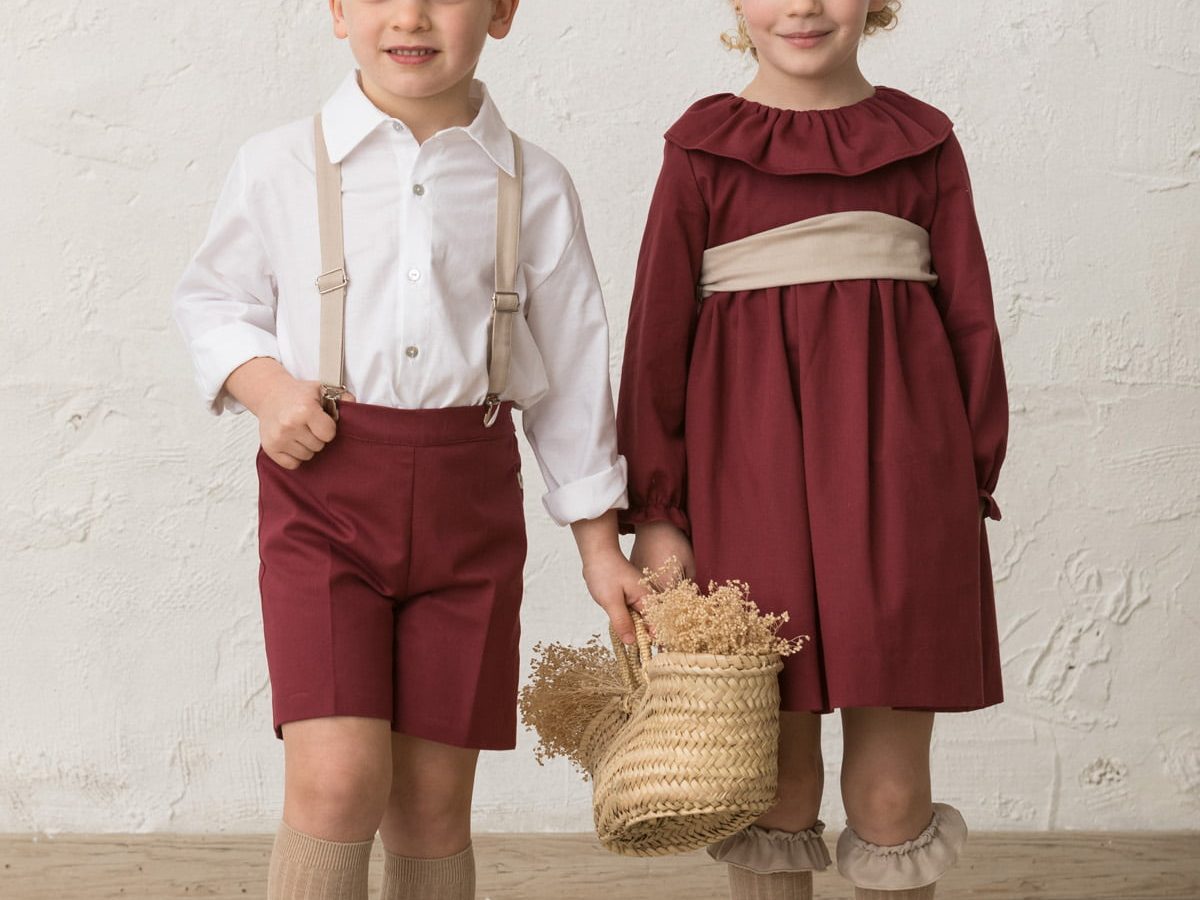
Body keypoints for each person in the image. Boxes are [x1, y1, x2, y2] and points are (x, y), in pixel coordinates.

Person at [173, 2, 643, 898]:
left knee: (432, 802)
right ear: (339, 10)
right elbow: (212, 304)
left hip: (471, 514)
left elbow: (577, 371)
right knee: (338, 778)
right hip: (325, 502)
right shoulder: (279, 162)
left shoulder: (533, 183)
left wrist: (598, 545)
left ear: (503, 12)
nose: (412, 15)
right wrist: (268, 387)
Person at [616, 2, 1008, 898]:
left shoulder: (926, 145)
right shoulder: (700, 151)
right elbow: (656, 339)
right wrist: (661, 511)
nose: (801, 5)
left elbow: (971, 324)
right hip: (744, 487)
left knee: (893, 783)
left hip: (904, 489)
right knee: (773, 781)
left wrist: (965, 486)